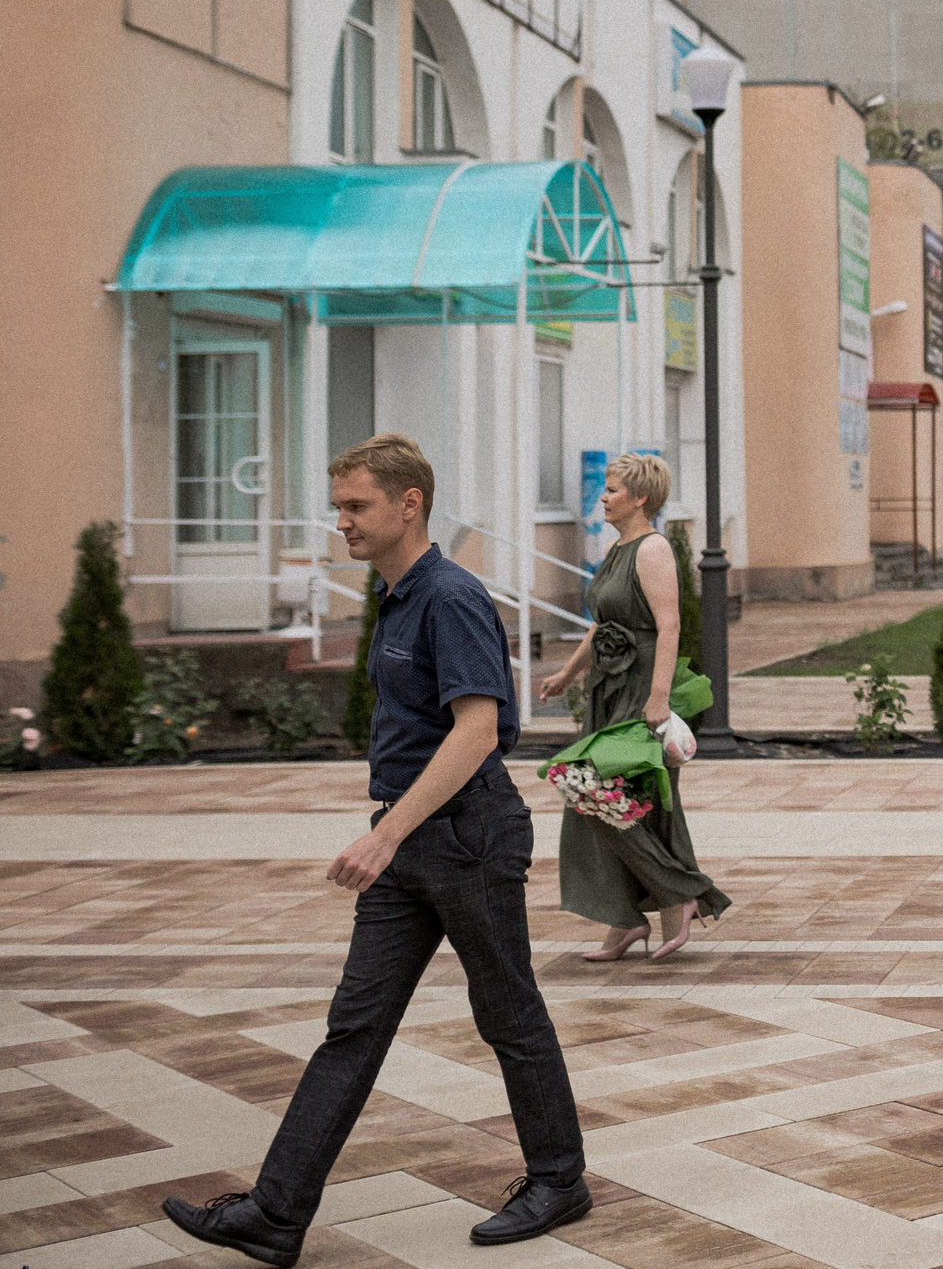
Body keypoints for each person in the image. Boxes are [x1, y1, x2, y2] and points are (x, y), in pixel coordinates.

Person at [165, 435, 589, 1264]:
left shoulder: (450, 597)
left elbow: (479, 733)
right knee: (353, 1026)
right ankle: (276, 1213)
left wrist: (385, 833)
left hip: (466, 835)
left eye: (356, 505)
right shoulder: (396, 597)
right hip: (410, 841)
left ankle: (559, 1178)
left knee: (507, 1010)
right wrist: (394, 832)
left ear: (409, 503)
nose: (342, 522)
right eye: (340, 506)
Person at [538, 452, 732, 961]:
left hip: (641, 688)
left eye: (612, 489)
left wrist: (659, 699)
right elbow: (603, 624)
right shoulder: (617, 549)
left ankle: (679, 893)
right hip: (609, 686)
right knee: (598, 798)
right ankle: (625, 921)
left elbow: (668, 626)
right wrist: (567, 673)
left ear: (640, 497)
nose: (603, 496)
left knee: (618, 797)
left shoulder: (653, 549)